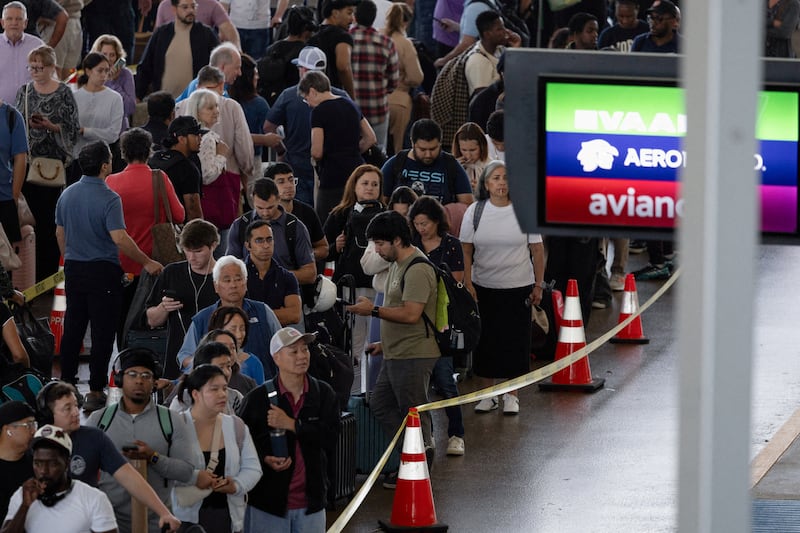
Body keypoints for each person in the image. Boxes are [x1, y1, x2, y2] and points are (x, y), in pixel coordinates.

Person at [55, 141, 163, 412]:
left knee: (74, 328)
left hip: (74, 269)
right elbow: (119, 238)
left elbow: (59, 232)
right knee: (103, 332)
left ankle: (67, 384)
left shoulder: (67, 194)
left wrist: (69, 257)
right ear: (105, 165)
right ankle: (94, 389)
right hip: (103, 271)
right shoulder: (109, 198)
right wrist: (147, 261)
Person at [346, 210, 439, 486]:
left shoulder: (418, 268)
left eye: (380, 243)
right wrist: (383, 344)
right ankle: (409, 456)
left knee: (412, 410)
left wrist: (373, 310)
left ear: (397, 240)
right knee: (381, 402)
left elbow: (411, 314)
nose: (376, 250)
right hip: (396, 352)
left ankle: (419, 464)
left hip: (414, 354)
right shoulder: (397, 264)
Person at [35, 381, 181, 531]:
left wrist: (164, 512)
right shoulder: (36, 446)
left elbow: (129, 477)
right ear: (48, 416)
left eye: (75, 405)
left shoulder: (93, 438)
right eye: (67, 409)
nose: (75, 412)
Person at [460, 160, 544, 415]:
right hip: (484, 286)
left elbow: (537, 250)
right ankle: (488, 394)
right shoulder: (475, 211)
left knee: (515, 341)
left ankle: (512, 395)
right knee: (486, 340)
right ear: (486, 184)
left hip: (518, 286)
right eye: (496, 178)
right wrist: (468, 281)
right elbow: (466, 249)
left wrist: (538, 284)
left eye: (506, 178)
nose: (502, 183)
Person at [237, 326, 340, 532]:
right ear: (276, 358)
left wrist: (292, 424)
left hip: (311, 505)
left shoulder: (323, 393)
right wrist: (264, 458)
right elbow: (240, 444)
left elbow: (330, 438)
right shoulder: (257, 399)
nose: (302, 356)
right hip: (267, 506)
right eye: (293, 351)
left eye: (305, 349)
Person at [86, 348, 195, 533]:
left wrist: (153, 457)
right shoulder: (99, 420)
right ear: (120, 380)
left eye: (146, 375)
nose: (139, 380)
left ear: (154, 382)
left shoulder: (171, 420)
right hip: (107, 523)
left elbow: (186, 472)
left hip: (158, 523)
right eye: (132, 374)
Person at [106, 127, 185, 342]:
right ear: (149, 151)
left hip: (120, 263)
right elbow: (179, 215)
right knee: (153, 317)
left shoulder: (111, 182)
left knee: (122, 318)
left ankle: (123, 359)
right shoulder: (159, 178)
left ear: (123, 153)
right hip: (155, 263)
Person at [170, 364, 262, 532]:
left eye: (224, 388)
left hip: (227, 518)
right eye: (214, 389)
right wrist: (195, 477)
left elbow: (253, 468)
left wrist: (236, 485)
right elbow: (164, 470)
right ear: (196, 394)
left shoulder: (236, 426)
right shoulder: (175, 426)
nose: (222, 395)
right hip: (184, 520)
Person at [408, 196, 466, 456]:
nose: (421, 228)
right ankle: (425, 435)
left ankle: (456, 433)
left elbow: (456, 280)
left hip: (441, 323)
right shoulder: (410, 245)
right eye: (417, 223)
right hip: (414, 323)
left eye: (426, 223)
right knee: (417, 386)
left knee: (445, 380)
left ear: (436, 222)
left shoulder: (451, 245)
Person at [14, 45, 78, 279]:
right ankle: (30, 272)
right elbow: (16, 122)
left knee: (51, 220)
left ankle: (50, 272)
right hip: (28, 163)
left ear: (52, 67)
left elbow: (72, 130)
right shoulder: (25, 91)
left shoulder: (64, 93)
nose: (35, 72)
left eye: (40, 68)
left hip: (53, 165)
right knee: (29, 218)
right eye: (32, 67)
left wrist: (51, 127)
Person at [264, 46, 350, 207]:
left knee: (300, 216)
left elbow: (268, 126)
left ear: (303, 70)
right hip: (332, 170)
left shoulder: (289, 96)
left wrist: (281, 150)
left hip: (296, 169)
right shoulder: (342, 97)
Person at [323, 164, 384, 374]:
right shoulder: (340, 214)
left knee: (377, 338)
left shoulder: (386, 215)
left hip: (378, 288)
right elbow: (321, 250)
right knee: (354, 340)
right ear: (354, 186)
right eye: (365, 183)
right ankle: (355, 384)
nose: (369, 188)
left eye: (375, 184)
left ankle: (375, 385)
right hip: (350, 287)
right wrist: (335, 247)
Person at [2, 424, 119, 533]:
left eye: (52, 463)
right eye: (38, 463)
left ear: (67, 464)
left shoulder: (94, 499)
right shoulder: (22, 496)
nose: (43, 471)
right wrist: (24, 507)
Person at [177, 255, 282, 374]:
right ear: (216, 286)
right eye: (227, 280)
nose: (233, 285)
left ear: (246, 283)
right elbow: (184, 357)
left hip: (262, 385)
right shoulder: (202, 318)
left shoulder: (263, 311)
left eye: (238, 279)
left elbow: (282, 347)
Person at [146, 218, 220, 379]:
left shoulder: (224, 274)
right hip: (178, 356)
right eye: (187, 250)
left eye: (198, 251)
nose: (192, 257)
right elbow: (152, 320)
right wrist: (163, 308)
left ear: (213, 245)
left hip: (217, 354)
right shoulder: (172, 273)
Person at [299, 70, 376, 221]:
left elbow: (317, 152)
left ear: (313, 91)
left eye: (306, 98)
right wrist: (352, 151)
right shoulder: (350, 104)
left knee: (327, 224)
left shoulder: (319, 112)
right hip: (356, 174)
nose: (307, 103)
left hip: (332, 178)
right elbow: (371, 138)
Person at [227, 177, 317, 287]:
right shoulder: (240, 226)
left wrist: (275, 276)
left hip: (286, 293)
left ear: (279, 199)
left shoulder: (295, 227)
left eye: (270, 207)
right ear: (252, 199)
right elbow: (229, 267)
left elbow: (310, 274)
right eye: (260, 207)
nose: (265, 213)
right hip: (250, 295)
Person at [135, 0, 219, 99]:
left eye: (193, 6)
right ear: (174, 10)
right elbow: (145, 67)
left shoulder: (206, 34)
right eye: (185, 7)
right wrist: (138, 95)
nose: (190, 10)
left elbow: (217, 66)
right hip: (164, 101)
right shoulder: (161, 34)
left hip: (194, 101)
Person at [380, 118, 473, 206]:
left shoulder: (451, 165)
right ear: (412, 143)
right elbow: (381, 202)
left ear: (440, 143)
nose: (428, 155)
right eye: (422, 149)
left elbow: (466, 205)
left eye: (433, 149)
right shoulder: (396, 164)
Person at [348, 0, 399, 152]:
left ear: (355, 17)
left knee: (350, 152)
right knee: (378, 154)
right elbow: (393, 82)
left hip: (349, 111)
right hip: (377, 109)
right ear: (374, 18)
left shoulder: (344, 39)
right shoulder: (386, 43)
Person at [69, 52, 124, 185]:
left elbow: (113, 133)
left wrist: (85, 131)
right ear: (88, 71)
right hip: (78, 159)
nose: (104, 75)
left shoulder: (115, 98)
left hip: (103, 162)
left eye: (106, 70)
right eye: (100, 71)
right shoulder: (74, 97)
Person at [242, 220, 303, 328]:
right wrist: (280, 313)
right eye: (259, 240)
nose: (266, 245)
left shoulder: (287, 277)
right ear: (248, 246)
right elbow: (236, 315)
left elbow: (294, 315)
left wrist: (253, 316)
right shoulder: (238, 275)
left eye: (269, 239)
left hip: (277, 337)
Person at [267, 162, 329, 262]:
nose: (289, 185)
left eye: (291, 180)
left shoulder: (308, 212)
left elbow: (324, 248)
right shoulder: (264, 214)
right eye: (281, 182)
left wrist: (306, 254)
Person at [384, 2, 424, 156]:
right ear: (406, 22)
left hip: (375, 98)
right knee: (397, 150)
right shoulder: (405, 43)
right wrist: (405, 81)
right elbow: (416, 77)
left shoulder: (378, 36)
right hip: (399, 100)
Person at [148, 115, 205, 220]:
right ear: (182, 139)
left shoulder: (153, 159)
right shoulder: (188, 168)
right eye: (196, 134)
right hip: (178, 230)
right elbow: (193, 213)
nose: (200, 138)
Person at [306, 0, 358, 97]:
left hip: (313, 95)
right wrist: (351, 97)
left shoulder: (313, 35)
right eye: (349, 13)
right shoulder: (343, 37)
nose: (352, 19)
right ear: (335, 13)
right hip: (335, 96)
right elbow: (343, 67)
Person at [91, 34, 136, 135]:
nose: (108, 59)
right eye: (104, 54)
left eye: (112, 55)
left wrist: (113, 82)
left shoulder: (126, 74)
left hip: (120, 130)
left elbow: (130, 108)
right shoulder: (91, 74)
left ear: (118, 56)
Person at [207, 308, 266, 384]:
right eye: (233, 329)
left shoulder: (254, 363)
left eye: (242, 329)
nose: (239, 335)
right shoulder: (204, 360)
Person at [0, 2, 43, 106]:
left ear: (25, 23)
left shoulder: (37, 45)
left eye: (19, 19)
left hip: (31, 110)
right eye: (9, 19)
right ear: (2, 23)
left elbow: (49, 76)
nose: (14, 23)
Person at [464, 10, 514, 99]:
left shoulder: (500, 50)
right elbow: (484, 100)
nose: (505, 32)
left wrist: (516, 48)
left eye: (504, 27)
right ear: (487, 34)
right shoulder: (478, 61)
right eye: (499, 29)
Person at [229, 54, 270, 161]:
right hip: (252, 158)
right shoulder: (259, 104)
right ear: (247, 78)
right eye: (255, 74)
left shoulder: (225, 99)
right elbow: (270, 129)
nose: (258, 77)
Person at [0, 85, 26, 247]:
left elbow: (21, 159)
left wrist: (14, 196)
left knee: (7, 261)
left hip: (4, 198)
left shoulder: (11, 116)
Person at [0, 401, 36, 519]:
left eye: (34, 425)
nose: (33, 431)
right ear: (8, 430)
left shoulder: (37, 463)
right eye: (28, 425)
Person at [155, 0, 240, 49]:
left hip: (202, 59)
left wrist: (238, 53)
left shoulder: (211, 4)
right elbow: (157, 39)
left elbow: (229, 30)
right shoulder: (165, 5)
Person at [175, 41, 243, 102]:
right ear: (223, 67)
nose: (240, 73)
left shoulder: (223, 87)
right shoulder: (201, 88)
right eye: (237, 68)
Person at [221, 0, 288, 59]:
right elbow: (224, 3)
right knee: (233, 61)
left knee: (258, 63)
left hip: (260, 27)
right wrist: (223, 29)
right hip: (235, 27)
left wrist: (278, 16)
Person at [452, 121, 489, 194]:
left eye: (473, 150)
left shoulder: (491, 166)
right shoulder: (451, 164)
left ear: (482, 147)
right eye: (464, 150)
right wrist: (453, 169)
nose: (468, 155)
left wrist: (481, 190)